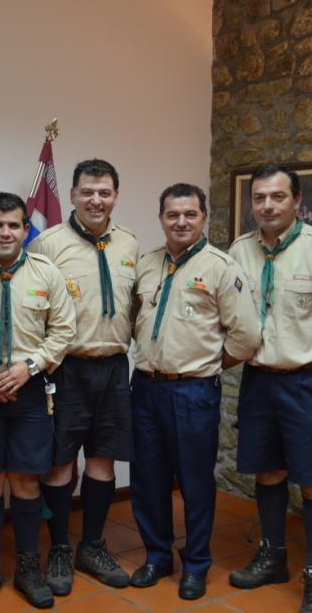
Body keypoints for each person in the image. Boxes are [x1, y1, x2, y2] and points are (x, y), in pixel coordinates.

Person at [226, 165, 312, 613]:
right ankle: (273, 555)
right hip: (258, 381)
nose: (267, 205)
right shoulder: (239, 250)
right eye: (259, 198)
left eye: (277, 197)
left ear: (297, 200)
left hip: (310, 384)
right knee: (267, 471)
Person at [129, 183, 260, 600]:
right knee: (147, 479)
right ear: (161, 218)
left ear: (204, 218)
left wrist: (207, 366)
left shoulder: (222, 267)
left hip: (193, 394)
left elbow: (246, 336)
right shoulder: (146, 264)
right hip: (145, 388)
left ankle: (197, 564)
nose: (181, 222)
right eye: (172, 214)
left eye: (190, 214)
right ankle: (156, 556)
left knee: (195, 483)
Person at [0, 192, 76, 609]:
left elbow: (63, 331)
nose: (6, 232)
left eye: (14, 225)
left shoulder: (47, 273)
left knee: (27, 480)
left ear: (26, 229)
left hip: (30, 392)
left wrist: (29, 367)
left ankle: (29, 566)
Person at [28, 158, 138, 595]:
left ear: (115, 196)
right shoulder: (47, 244)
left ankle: (91, 546)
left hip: (113, 366)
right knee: (59, 463)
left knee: (102, 459)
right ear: (72, 195)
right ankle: (58, 548)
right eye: (88, 191)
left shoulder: (129, 243)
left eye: (104, 192)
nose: (96, 199)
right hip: (64, 369)